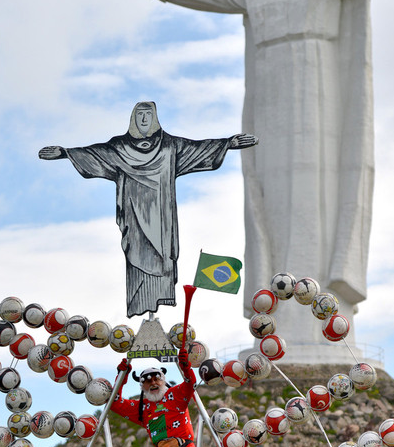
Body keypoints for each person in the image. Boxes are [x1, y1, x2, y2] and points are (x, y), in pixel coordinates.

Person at [91, 0, 394, 345]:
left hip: (318, 92)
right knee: (267, 201)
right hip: (268, 98)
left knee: (314, 201)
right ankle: (277, 319)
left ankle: (321, 322)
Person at [39, 101, 256, 318]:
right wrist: (65, 153)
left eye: (148, 115)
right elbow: (96, 154)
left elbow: (199, 149)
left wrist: (228, 143)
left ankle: (157, 303)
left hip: (162, 218)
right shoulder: (119, 148)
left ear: (155, 119)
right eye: (140, 115)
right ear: (133, 118)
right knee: (136, 256)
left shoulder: (169, 147)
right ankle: (142, 305)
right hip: (133, 215)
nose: (144, 119)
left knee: (162, 259)